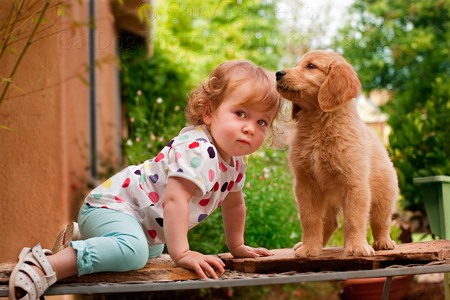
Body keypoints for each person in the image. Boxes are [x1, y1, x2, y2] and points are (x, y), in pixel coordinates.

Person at [9, 60, 283, 300]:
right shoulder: (199, 149)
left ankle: (82, 238)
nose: (250, 128)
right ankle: (42, 266)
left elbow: (234, 204)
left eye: (262, 122)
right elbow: (176, 200)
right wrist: (184, 253)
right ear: (209, 112)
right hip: (111, 207)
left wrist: (237, 246)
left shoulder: (236, 162)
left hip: (136, 221)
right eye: (241, 114)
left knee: (151, 251)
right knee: (134, 251)